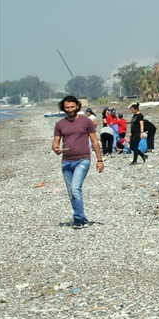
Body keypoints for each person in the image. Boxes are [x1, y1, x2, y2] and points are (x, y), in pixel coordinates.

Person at [52, 96, 103, 228]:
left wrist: (100, 160)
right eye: (67, 107)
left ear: (77, 106)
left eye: (72, 107)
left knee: (75, 189)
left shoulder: (86, 122)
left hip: (83, 159)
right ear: (63, 108)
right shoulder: (60, 124)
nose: (70, 109)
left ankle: (78, 219)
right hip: (66, 162)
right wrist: (56, 149)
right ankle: (82, 217)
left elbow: (94, 141)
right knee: (71, 192)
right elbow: (56, 142)